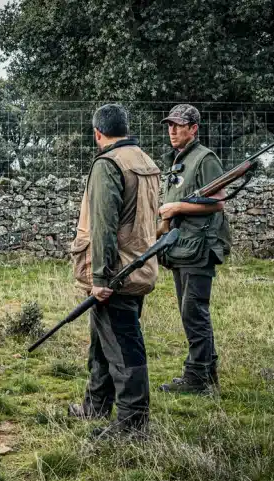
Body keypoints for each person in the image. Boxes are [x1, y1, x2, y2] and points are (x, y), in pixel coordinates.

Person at [67, 104, 161, 438]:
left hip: (116, 273)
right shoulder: (145, 160)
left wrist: (100, 278)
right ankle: (95, 405)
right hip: (138, 264)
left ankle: (133, 424)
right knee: (104, 341)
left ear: (97, 133)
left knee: (123, 346)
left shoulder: (109, 164)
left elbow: (104, 225)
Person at [156, 104, 231, 395]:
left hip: (200, 247)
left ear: (194, 128)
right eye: (170, 125)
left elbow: (218, 202)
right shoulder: (178, 159)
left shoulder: (204, 158)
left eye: (179, 125)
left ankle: (197, 379)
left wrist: (176, 207)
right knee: (189, 311)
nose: (172, 130)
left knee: (193, 312)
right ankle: (206, 372)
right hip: (182, 247)